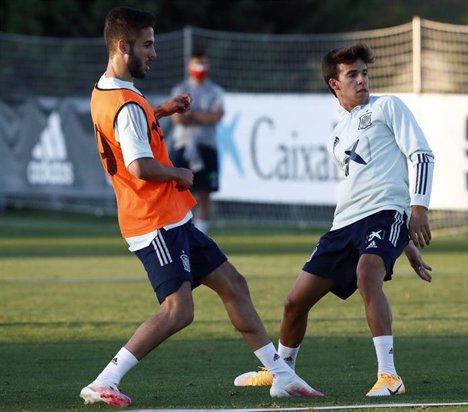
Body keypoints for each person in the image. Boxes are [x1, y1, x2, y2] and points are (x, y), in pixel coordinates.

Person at [80, 7, 322, 406]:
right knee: (179, 311)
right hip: (154, 221)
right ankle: (105, 380)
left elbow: (129, 132)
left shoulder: (107, 89)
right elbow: (139, 165)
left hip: (172, 216)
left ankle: (282, 376)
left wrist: (160, 111)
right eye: (147, 44)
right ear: (123, 46)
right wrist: (177, 173)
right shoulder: (124, 102)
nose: (154, 52)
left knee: (234, 285)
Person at [233, 44, 434, 396]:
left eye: (364, 73)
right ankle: (282, 372)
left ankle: (389, 376)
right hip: (344, 224)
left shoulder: (388, 106)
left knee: (367, 275)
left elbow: (421, 154)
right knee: (294, 302)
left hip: (386, 213)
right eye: (351, 75)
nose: (361, 80)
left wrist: (418, 209)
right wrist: (405, 247)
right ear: (334, 84)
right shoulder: (336, 136)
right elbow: (362, 184)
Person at [170, 48, 225, 235]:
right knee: (178, 193)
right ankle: (180, 231)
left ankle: (200, 234)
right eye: (196, 63)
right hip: (183, 146)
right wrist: (203, 116)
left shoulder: (215, 91)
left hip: (206, 146)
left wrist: (191, 115)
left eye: (203, 63)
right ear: (189, 65)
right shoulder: (180, 89)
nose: (200, 68)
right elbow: (177, 118)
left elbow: (216, 117)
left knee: (205, 193)